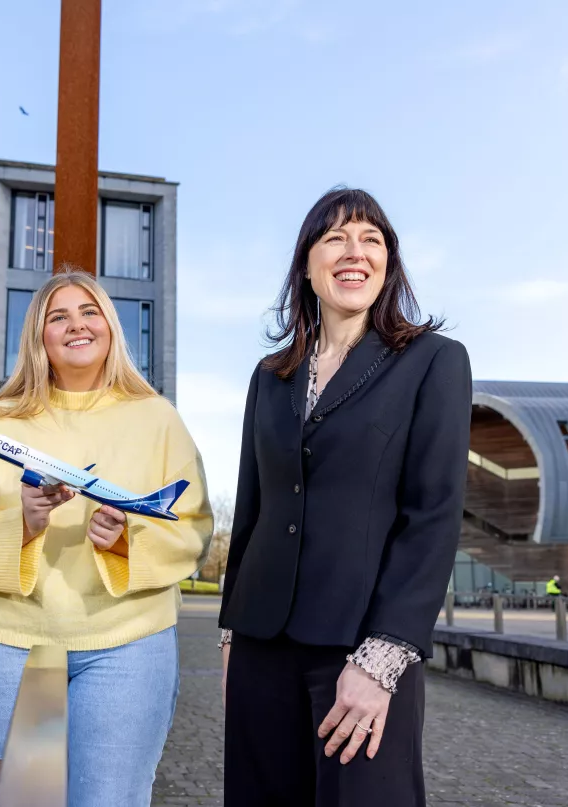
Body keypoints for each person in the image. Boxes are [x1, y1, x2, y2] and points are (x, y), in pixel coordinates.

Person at [219, 188, 472, 806]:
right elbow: (252, 513)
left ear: (388, 264)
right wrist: (230, 636)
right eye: (335, 238)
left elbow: (432, 517)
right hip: (261, 643)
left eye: (371, 239)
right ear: (307, 264)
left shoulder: (432, 362)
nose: (354, 252)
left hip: (360, 648)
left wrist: (383, 657)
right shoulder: (268, 376)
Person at [0, 270, 213, 807]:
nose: (76, 325)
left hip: (127, 646)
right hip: (14, 648)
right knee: (24, 800)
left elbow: (193, 528)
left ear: (110, 327)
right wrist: (23, 523)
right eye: (57, 315)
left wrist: (122, 542)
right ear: (37, 335)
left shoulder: (157, 418)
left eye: (89, 311)